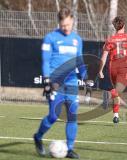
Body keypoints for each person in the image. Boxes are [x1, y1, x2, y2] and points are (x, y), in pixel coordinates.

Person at [33, 7, 87, 159]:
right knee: (53, 116)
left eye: (68, 25)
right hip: (55, 83)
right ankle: (38, 136)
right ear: (59, 23)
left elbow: (80, 60)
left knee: (72, 115)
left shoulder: (77, 40)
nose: (66, 28)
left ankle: (69, 149)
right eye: (63, 25)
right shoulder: (50, 38)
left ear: (72, 22)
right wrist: (47, 81)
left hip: (71, 82)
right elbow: (45, 61)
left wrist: (84, 75)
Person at [98, 16, 127, 124]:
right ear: (124, 25)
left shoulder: (110, 39)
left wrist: (100, 70)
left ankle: (116, 115)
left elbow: (103, 57)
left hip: (112, 67)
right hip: (124, 67)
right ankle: (109, 93)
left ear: (115, 27)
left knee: (117, 93)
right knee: (116, 91)